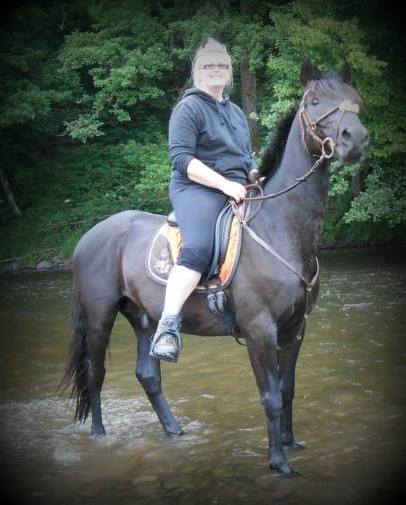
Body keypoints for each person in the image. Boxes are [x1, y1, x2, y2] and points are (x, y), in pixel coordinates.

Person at [149, 37, 257, 363]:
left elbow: (246, 156)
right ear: (198, 70)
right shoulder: (188, 108)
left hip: (238, 188)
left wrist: (254, 177)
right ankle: (168, 325)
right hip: (197, 189)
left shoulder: (236, 111)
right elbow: (182, 159)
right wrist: (225, 185)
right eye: (209, 65)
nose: (216, 70)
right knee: (197, 247)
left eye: (221, 65)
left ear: (229, 72)